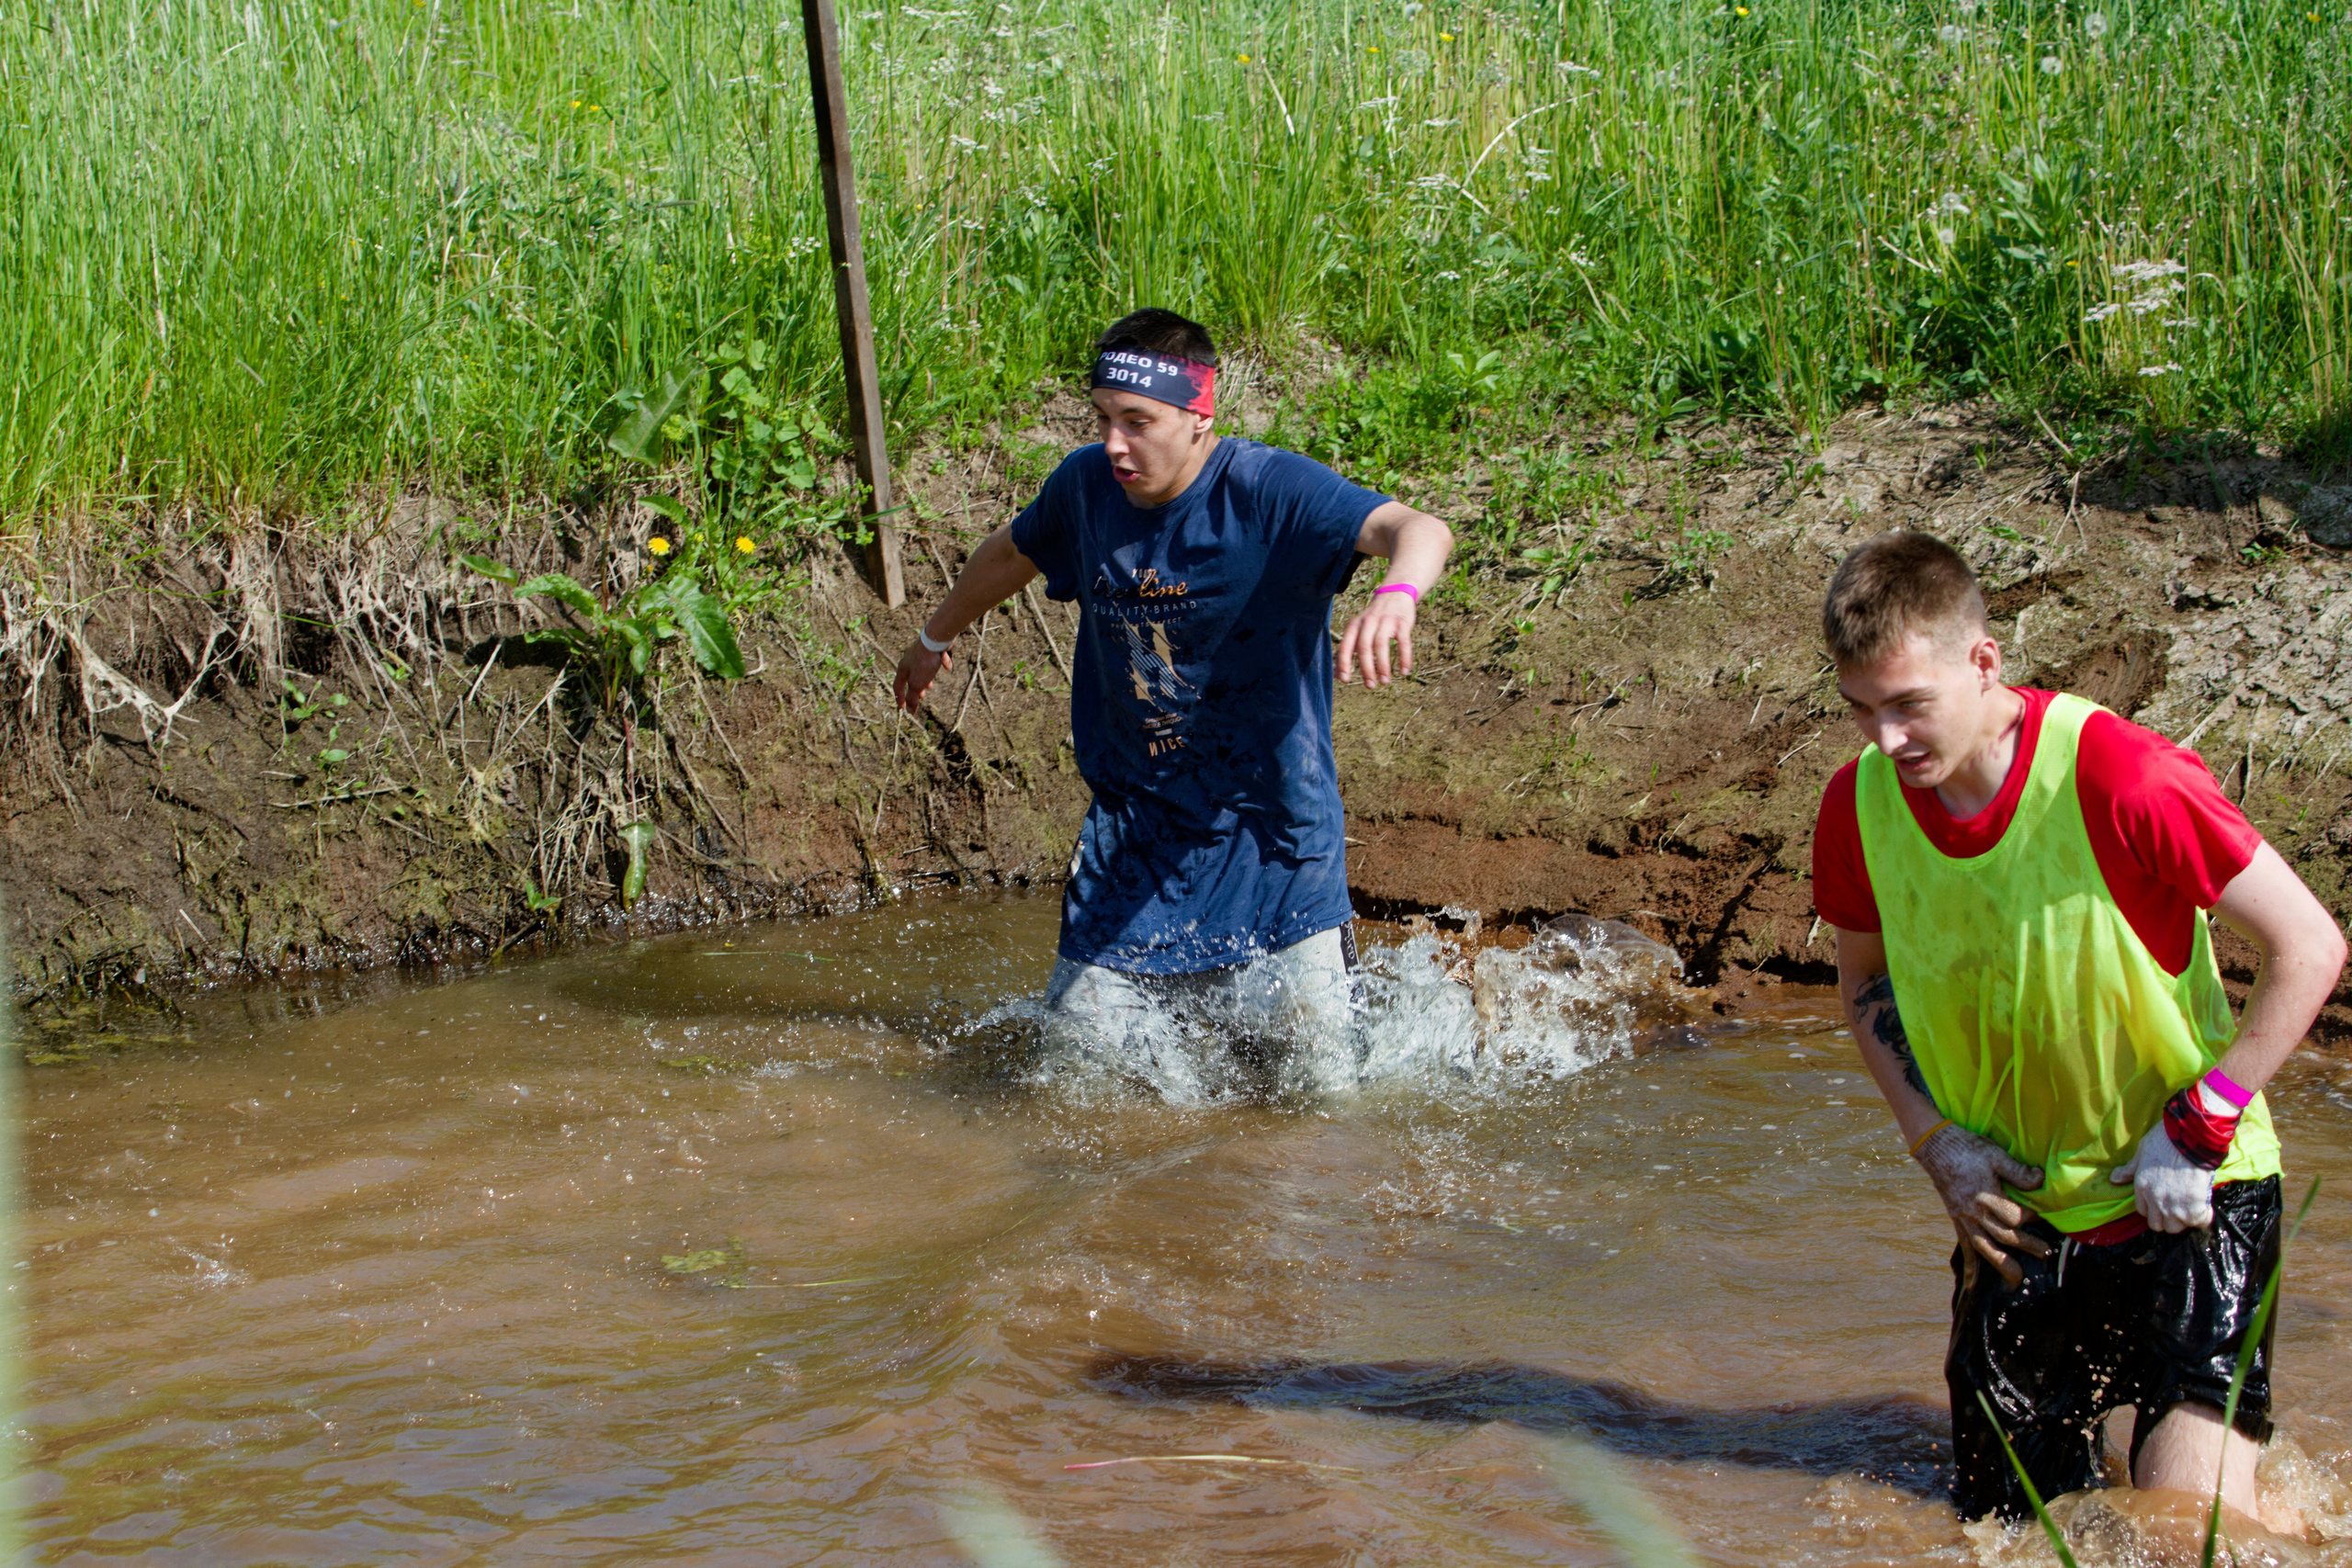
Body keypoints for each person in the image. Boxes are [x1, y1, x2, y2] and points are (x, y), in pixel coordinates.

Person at [1809, 531, 2344, 1522]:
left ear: (1984, 661)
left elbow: (2310, 946)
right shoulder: (1857, 807)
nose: (1885, 741)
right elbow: (1865, 984)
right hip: (2019, 1215)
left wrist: (2202, 1121)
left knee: (2180, 1531)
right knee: (2008, 1530)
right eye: (1860, 709)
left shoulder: (2122, 775)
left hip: (2191, 1192)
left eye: (1908, 705)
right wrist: (1935, 1142)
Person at [893, 309, 1453, 1092]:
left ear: (1199, 417)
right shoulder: (1086, 488)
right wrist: (934, 636)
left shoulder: (1267, 491)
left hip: (1275, 843)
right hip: (1133, 842)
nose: (1114, 444)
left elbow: (1416, 526)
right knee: (1078, 1089)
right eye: (1102, 418)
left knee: (1324, 1101)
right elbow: (1013, 552)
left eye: (1137, 422)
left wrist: (1397, 594)